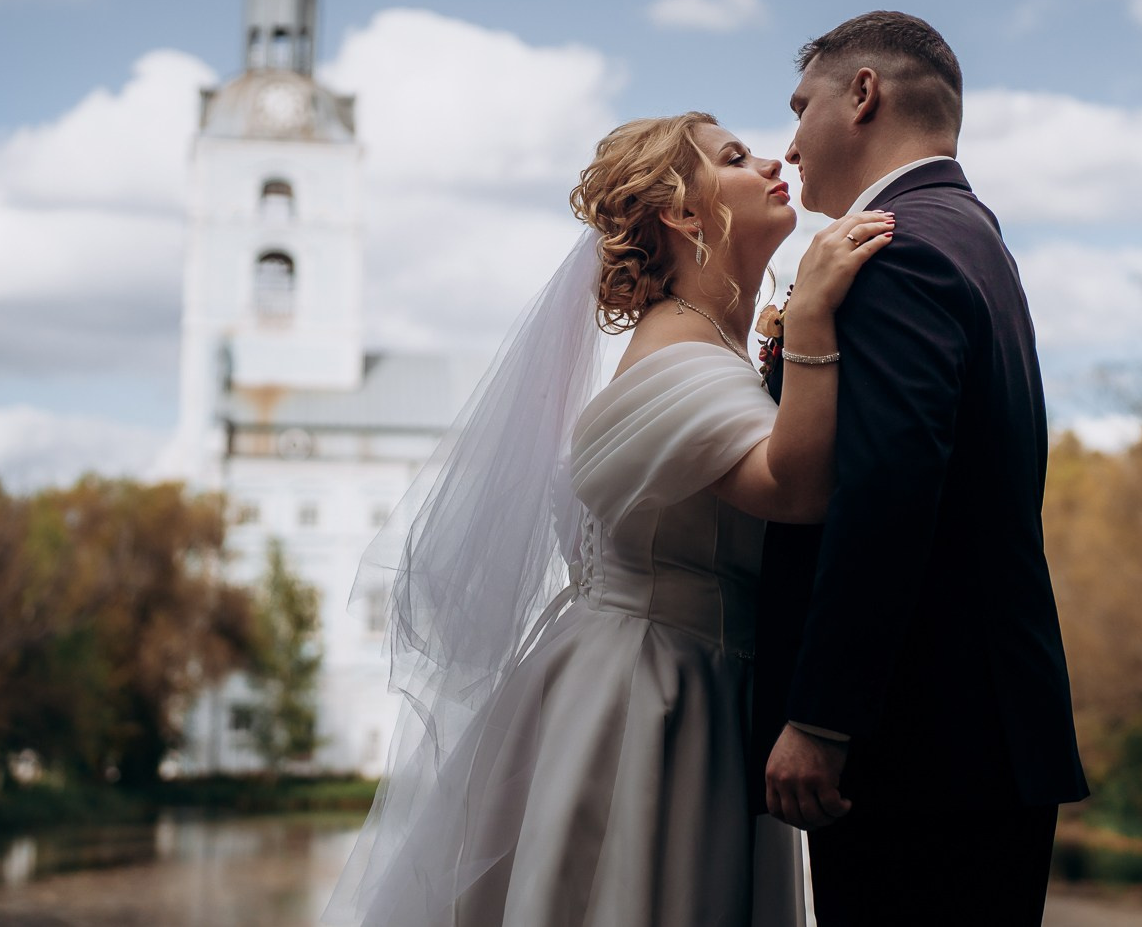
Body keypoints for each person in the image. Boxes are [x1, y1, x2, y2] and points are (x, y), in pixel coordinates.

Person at [324, 111, 894, 927]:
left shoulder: (702, 350)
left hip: (681, 681)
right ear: (685, 215)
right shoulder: (679, 357)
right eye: (735, 156)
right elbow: (796, 489)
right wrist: (810, 322)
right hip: (648, 701)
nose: (774, 158)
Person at [753, 11, 1090, 924]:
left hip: (922, 742)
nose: (788, 142)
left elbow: (889, 493)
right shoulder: (972, 236)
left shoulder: (894, 251)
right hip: (981, 734)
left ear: (863, 94)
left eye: (800, 105)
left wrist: (824, 717)